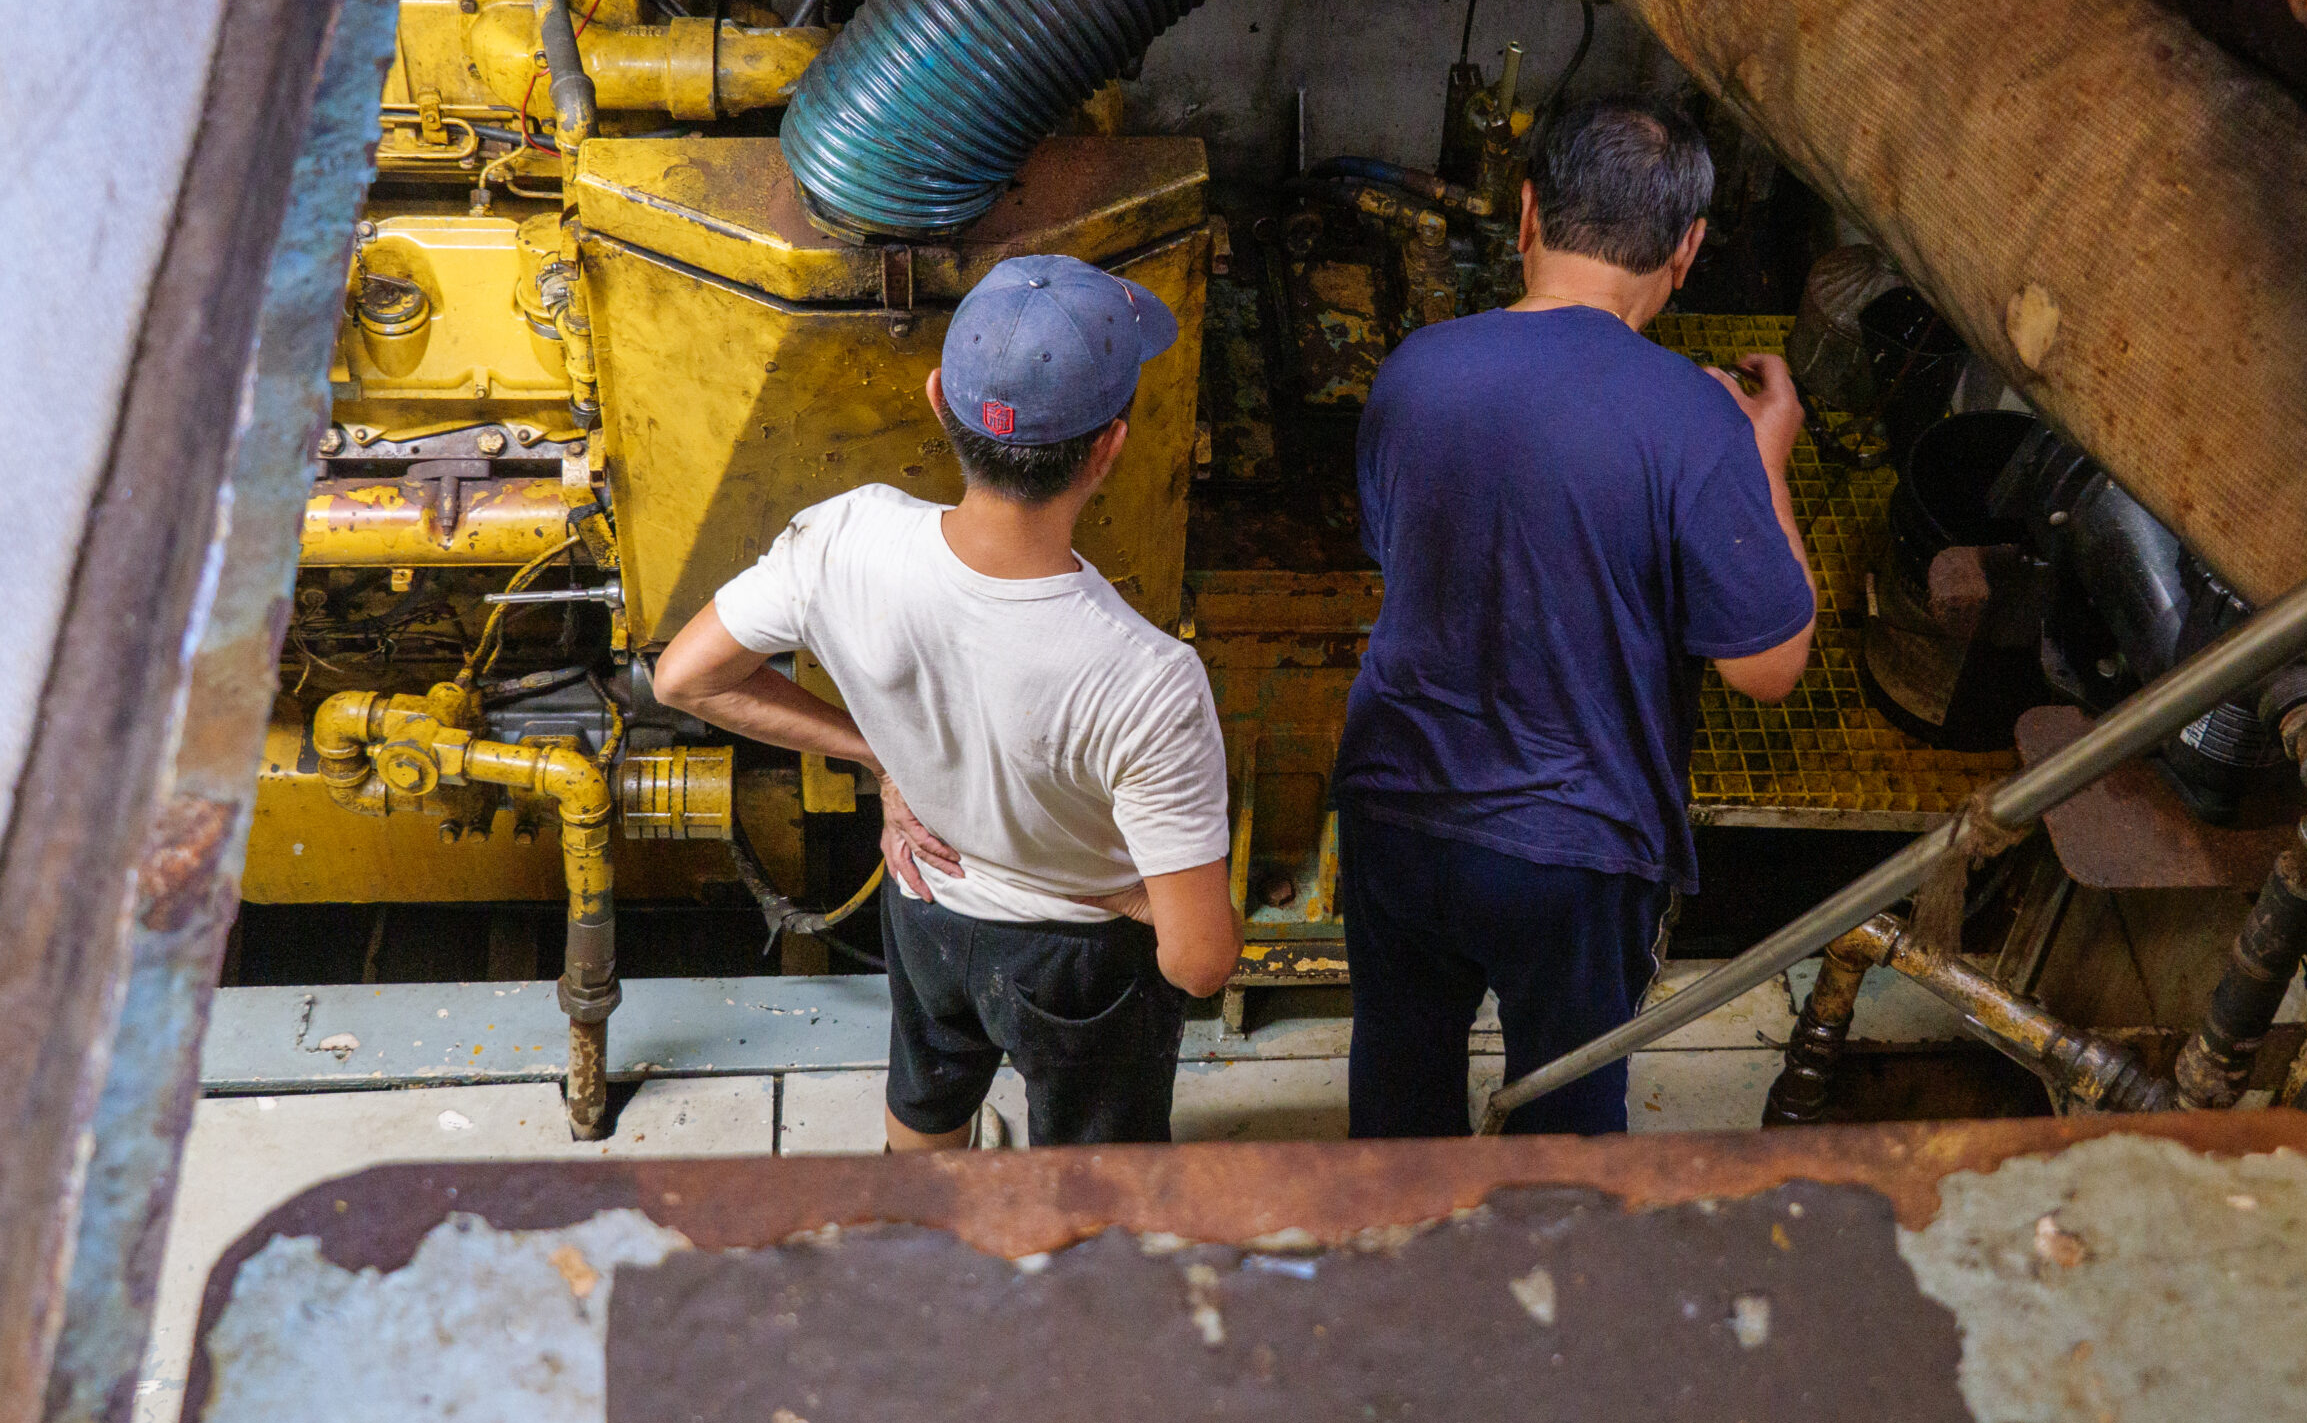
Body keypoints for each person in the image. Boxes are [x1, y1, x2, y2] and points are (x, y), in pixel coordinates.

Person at [653, 255, 1240, 1149]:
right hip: (1075, 960)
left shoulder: (841, 538)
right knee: (1093, 1181)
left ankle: (926, 1251)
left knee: (927, 1102)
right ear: (1109, 447)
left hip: (926, 899)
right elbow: (1199, 964)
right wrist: (1124, 898)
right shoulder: (1147, 678)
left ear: (938, 400)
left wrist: (878, 754)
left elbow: (686, 677)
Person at [1333, 96, 1818, 1138]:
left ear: (1525, 216)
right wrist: (1764, 458)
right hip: (1574, 849)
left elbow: (1401, 555)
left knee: (1395, 1096)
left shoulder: (1415, 370)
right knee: (1567, 1127)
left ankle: (1383, 1273)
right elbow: (1768, 666)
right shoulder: (1695, 419)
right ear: (1686, 250)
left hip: (1399, 809)